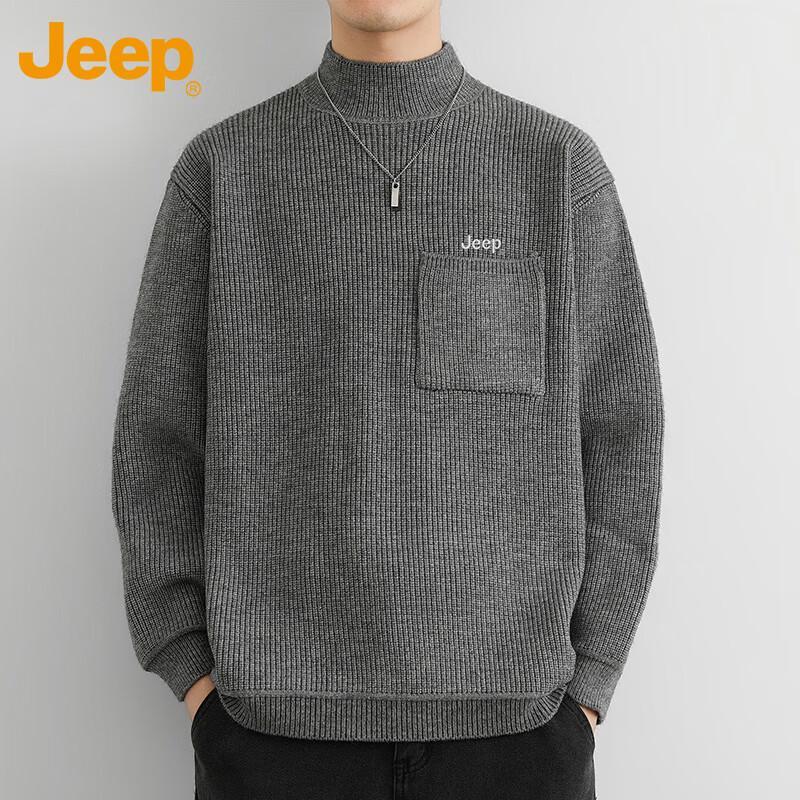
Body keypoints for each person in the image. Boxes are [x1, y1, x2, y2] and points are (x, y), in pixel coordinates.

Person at [111, 1, 664, 798]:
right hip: (269, 740)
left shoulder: (556, 169)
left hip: (519, 736)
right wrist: (193, 675)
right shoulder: (222, 172)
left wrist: (591, 683)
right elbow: (156, 440)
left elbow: (621, 430)